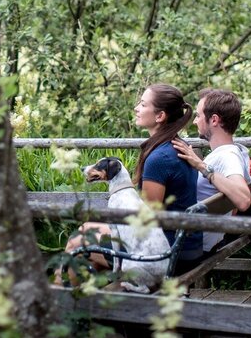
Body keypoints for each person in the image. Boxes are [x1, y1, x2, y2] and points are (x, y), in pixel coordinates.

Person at [59, 84, 203, 281]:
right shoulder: (178, 146)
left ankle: (54, 300)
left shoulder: (159, 158)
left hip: (167, 251)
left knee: (79, 239)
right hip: (187, 243)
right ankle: (88, 304)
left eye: (143, 105)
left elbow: (150, 217)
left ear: (160, 116)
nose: (136, 108)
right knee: (91, 247)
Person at [172, 88, 251, 254]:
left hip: (193, 245)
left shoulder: (228, 156)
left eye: (199, 116)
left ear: (214, 120)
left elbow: (243, 200)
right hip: (203, 239)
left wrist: (201, 166)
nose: (195, 121)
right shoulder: (232, 152)